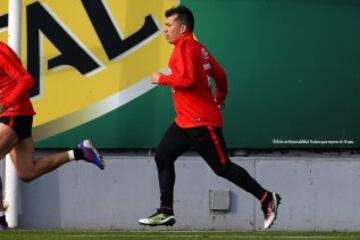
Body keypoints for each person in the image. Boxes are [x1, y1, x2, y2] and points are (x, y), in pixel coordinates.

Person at [138, 5, 281, 230]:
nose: (164, 30)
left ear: (182, 28)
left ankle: (266, 198)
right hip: (184, 121)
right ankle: (166, 211)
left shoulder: (185, 47)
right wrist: (220, 97)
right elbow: (220, 74)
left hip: (200, 123)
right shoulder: (198, 48)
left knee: (223, 167)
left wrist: (161, 79)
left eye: (168, 25)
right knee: (163, 157)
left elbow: (188, 79)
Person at [0, 41, 105, 230]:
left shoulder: (0, 50)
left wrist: (5, 103)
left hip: (13, 113)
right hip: (14, 115)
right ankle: (80, 153)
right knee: (27, 172)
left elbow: (26, 80)